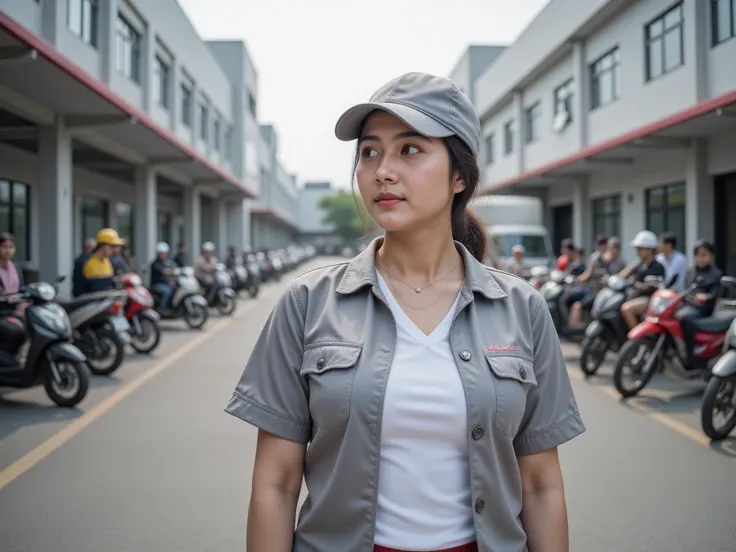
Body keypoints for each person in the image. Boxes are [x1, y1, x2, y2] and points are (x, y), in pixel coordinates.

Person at [227, 72, 585, 552]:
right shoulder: (308, 302)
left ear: (460, 176)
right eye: (370, 152)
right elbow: (276, 482)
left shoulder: (522, 308)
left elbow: (542, 484)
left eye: (410, 149)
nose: (382, 171)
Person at [679, 240, 723, 371]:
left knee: (684, 317)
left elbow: (715, 296)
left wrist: (705, 297)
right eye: (698, 255)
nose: (700, 258)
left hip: (703, 309)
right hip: (688, 305)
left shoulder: (716, 274)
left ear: (711, 256)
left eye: (704, 255)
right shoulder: (690, 271)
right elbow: (685, 289)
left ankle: (691, 356)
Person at [619, 230, 666, 330]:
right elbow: (622, 276)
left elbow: (655, 286)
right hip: (635, 295)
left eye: (640, 249)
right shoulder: (639, 264)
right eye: (637, 249)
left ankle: (638, 338)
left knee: (626, 309)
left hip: (650, 299)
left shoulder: (658, 266)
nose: (638, 252)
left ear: (649, 249)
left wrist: (643, 286)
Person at [79, 228, 122, 295]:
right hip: (90, 302)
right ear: (102, 245)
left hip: (106, 302)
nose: (115, 250)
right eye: (112, 246)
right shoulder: (85, 261)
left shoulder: (110, 262)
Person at [150, 242, 176, 309]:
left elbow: (172, 267)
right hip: (156, 285)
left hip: (165, 283)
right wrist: (170, 272)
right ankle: (163, 308)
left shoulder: (166, 262)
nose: (164, 255)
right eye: (162, 254)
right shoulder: (155, 263)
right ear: (158, 254)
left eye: (165, 253)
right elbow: (164, 271)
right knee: (168, 291)